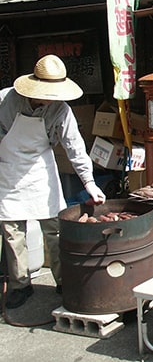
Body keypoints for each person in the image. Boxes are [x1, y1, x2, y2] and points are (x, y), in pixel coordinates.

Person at [0, 55, 106, 309]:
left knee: (55, 230)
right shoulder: (5, 100)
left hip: (40, 169)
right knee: (13, 232)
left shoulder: (61, 110)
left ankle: (63, 280)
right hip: (7, 167)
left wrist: (89, 183)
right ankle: (20, 285)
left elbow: (75, 147)